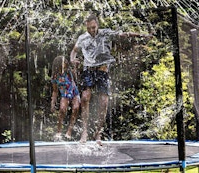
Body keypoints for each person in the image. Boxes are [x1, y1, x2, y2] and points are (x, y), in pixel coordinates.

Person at [70, 14, 152, 145]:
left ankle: (98, 133)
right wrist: (72, 59)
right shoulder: (82, 37)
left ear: (97, 24)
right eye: (89, 28)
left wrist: (142, 35)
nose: (92, 30)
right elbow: (73, 51)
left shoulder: (106, 33)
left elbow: (125, 34)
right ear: (86, 26)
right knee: (85, 97)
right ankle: (84, 132)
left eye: (94, 28)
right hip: (88, 71)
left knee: (103, 103)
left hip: (102, 72)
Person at [51, 55, 80, 141]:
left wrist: (76, 65)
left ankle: (69, 131)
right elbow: (55, 91)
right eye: (63, 62)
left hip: (74, 92)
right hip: (65, 94)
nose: (65, 63)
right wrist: (53, 103)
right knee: (62, 110)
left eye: (65, 62)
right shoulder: (55, 76)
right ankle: (59, 131)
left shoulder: (69, 71)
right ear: (58, 64)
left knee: (76, 108)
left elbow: (75, 74)